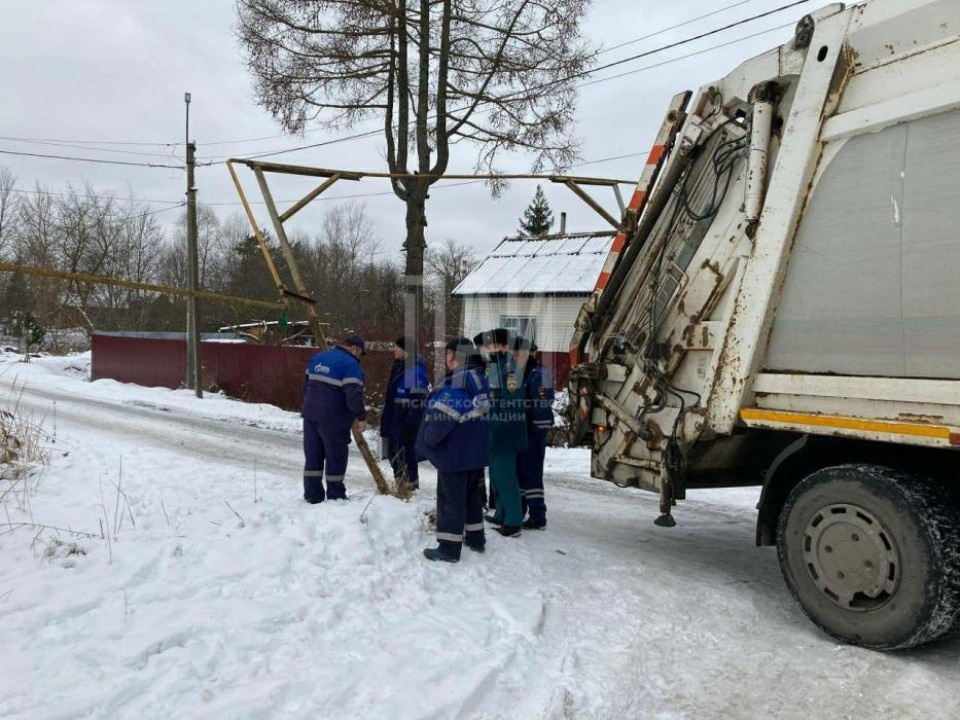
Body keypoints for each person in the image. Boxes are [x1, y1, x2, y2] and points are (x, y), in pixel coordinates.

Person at [418, 337, 491, 563]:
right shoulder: (478, 379)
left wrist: (429, 441)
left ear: (452, 354)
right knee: (471, 498)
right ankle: (476, 538)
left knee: (450, 500)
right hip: (474, 451)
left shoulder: (457, 383)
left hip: (455, 453)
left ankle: (448, 548)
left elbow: (443, 418)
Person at [301, 334, 367, 503]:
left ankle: (312, 496)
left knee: (313, 456)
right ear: (355, 349)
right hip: (334, 419)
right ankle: (335, 496)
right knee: (335, 456)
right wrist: (361, 416)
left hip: (310, 415)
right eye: (360, 353)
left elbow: (306, 386)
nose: (359, 357)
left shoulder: (318, 357)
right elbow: (353, 395)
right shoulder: (351, 365)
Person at [478, 327, 527, 537]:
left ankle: (514, 521)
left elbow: (512, 404)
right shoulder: (496, 366)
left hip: (505, 431)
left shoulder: (509, 369)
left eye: (494, 345)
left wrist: (496, 426)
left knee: (504, 476)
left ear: (505, 346)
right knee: (497, 476)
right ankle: (500, 513)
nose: (490, 349)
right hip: (495, 429)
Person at [514, 339, 554, 529]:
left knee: (532, 474)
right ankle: (520, 510)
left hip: (533, 433)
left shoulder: (539, 374)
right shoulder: (522, 373)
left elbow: (542, 406)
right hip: (522, 432)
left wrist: (535, 430)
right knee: (520, 472)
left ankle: (538, 516)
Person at [380, 336, 429, 490]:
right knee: (393, 454)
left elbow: (418, 400)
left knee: (406, 456)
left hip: (404, 421)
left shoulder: (416, 371)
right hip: (394, 418)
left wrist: (411, 424)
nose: (394, 350)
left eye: (397, 347)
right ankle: (400, 485)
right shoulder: (399, 367)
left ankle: (410, 489)